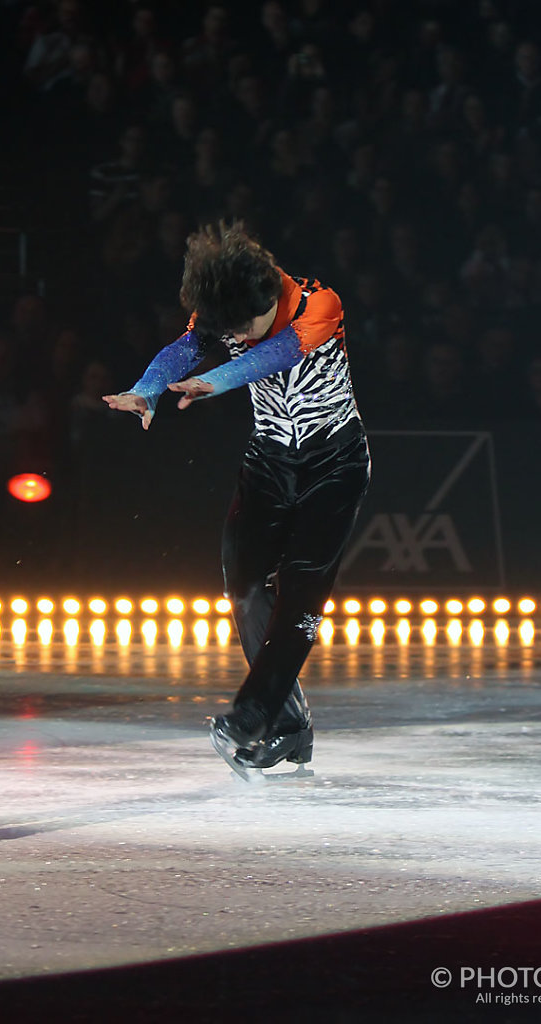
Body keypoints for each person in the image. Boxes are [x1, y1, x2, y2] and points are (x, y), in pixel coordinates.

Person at [103, 223, 370, 777]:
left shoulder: (320, 304)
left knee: (300, 596)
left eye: (244, 328)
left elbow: (270, 357)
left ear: (270, 297)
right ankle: (290, 723)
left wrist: (217, 381)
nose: (239, 336)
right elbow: (186, 348)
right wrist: (147, 390)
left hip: (333, 466)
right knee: (244, 586)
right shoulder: (226, 312)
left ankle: (251, 719)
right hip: (268, 464)